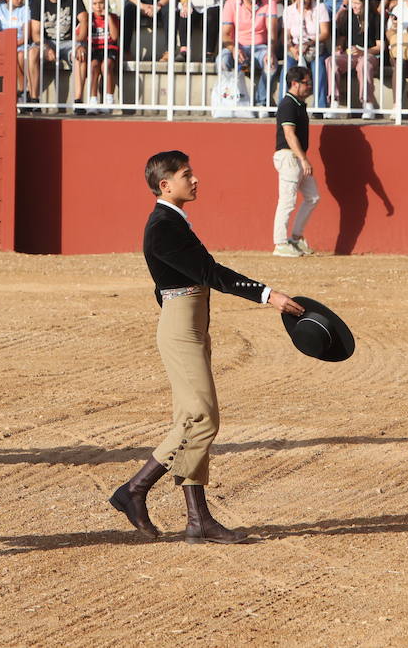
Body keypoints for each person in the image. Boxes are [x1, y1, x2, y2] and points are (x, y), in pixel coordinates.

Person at [109, 151, 303, 545]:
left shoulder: (171, 222)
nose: (195, 180)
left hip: (190, 323)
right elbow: (210, 273)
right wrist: (268, 295)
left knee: (190, 420)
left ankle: (198, 521)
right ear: (166, 185)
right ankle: (134, 489)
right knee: (202, 419)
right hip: (183, 327)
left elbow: (171, 279)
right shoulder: (163, 225)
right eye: (186, 175)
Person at [272, 66, 318, 257]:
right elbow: (289, 135)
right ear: (295, 84)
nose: (310, 87)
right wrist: (304, 159)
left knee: (313, 197)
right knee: (287, 201)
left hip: (296, 157)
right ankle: (280, 243)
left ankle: (296, 238)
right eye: (306, 83)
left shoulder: (298, 104)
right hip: (290, 157)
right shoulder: (288, 104)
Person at [220, 0, 281, 107]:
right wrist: (234, 48)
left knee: (271, 64)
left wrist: (270, 52)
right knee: (221, 61)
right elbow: (225, 34)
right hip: (238, 45)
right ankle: (228, 100)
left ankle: (261, 102)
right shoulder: (232, 2)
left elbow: (272, 33)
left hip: (261, 47)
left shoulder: (269, 1)